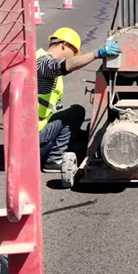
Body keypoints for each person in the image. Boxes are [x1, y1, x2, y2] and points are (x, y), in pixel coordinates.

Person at [38, 27, 120, 172]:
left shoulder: (38, 58)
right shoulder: (42, 62)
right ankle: (54, 159)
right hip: (35, 135)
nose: (73, 56)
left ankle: (60, 149)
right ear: (64, 45)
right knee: (75, 112)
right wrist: (96, 53)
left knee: (80, 138)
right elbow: (64, 65)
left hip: (34, 131)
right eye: (74, 52)